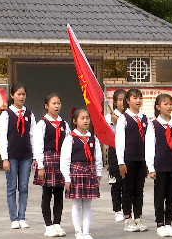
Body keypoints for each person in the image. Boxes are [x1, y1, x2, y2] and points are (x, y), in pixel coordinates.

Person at [145, 94, 172, 237]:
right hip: (160, 165)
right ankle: (160, 223)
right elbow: (150, 147)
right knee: (160, 195)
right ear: (158, 107)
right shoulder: (153, 125)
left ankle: (169, 222)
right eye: (165, 104)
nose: (169, 107)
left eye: (170, 104)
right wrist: (151, 167)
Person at [0, 83, 36, 229]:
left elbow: (33, 136)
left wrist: (34, 157)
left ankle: (22, 217)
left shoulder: (30, 115)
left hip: (26, 156)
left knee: (24, 187)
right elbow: (2, 137)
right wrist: (4, 158)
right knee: (12, 187)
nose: (21, 97)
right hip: (12, 156)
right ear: (12, 96)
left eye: (23, 94)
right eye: (18, 94)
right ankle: (13, 218)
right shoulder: (6, 115)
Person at [60, 108, 103, 239]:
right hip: (76, 172)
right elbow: (65, 159)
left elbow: (98, 157)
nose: (85, 121)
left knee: (88, 203)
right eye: (82, 118)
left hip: (89, 172)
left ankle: (86, 231)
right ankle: (78, 231)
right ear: (75, 121)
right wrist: (67, 177)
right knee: (77, 203)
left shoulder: (93, 139)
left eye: (87, 118)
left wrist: (98, 172)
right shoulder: (70, 138)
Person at [33, 93, 70, 237]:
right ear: (46, 106)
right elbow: (38, 145)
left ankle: (57, 224)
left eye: (58, 103)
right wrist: (40, 166)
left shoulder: (64, 124)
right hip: (48, 159)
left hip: (60, 160)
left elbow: (67, 145)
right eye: (53, 103)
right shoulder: (42, 123)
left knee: (59, 195)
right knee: (47, 194)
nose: (57, 106)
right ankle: (48, 225)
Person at [116, 89, 149, 232]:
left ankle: (138, 217)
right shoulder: (124, 118)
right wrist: (121, 162)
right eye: (134, 98)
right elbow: (120, 141)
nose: (138, 101)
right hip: (128, 159)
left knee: (139, 190)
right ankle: (127, 219)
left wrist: (148, 162)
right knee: (128, 190)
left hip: (141, 159)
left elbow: (149, 142)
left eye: (140, 98)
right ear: (128, 101)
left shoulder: (145, 119)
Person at [105, 89, 127, 222]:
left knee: (127, 182)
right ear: (114, 102)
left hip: (128, 152)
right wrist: (114, 122)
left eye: (124, 99)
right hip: (114, 151)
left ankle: (126, 209)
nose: (122, 102)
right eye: (119, 99)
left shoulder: (129, 117)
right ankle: (117, 209)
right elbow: (107, 136)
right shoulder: (109, 117)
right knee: (116, 182)